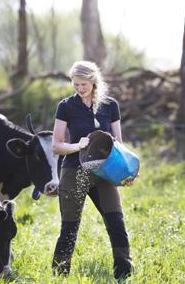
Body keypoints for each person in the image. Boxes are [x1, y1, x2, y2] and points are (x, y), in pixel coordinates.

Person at [51, 61, 134, 280]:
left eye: (83, 84)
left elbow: (119, 144)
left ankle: (124, 273)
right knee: (70, 227)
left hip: (104, 173)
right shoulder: (66, 106)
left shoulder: (110, 105)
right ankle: (59, 275)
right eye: (76, 84)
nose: (79, 89)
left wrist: (126, 171)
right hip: (73, 172)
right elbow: (57, 145)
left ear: (94, 81)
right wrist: (77, 145)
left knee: (116, 221)